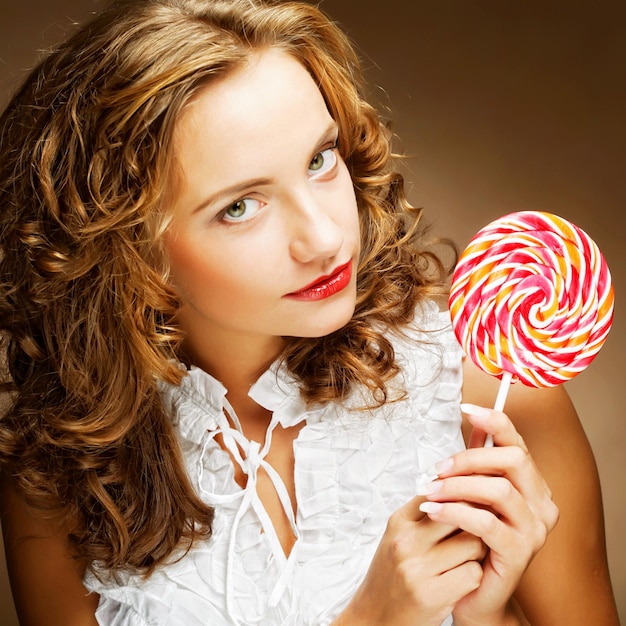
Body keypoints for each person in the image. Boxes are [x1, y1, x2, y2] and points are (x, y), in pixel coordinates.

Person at [0, 0, 619, 624]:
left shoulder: (486, 397)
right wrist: (373, 619)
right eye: (240, 206)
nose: (324, 238)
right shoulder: (59, 475)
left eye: (320, 160)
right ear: (126, 248)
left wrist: (482, 619)